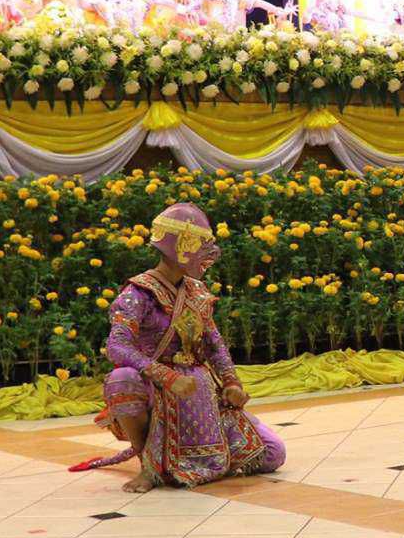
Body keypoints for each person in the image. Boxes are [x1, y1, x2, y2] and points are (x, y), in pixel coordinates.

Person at [71, 203, 287, 491]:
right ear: (181, 246)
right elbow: (117, 345)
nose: (209, 254)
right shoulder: (139, 293)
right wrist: (167, 376)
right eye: (201, 245)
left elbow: (214, 344)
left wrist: (231, 383)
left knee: (272, 453)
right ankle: (149, 465)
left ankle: (190, 463)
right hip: (157, 389)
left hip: (200, 391)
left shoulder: (197, 291)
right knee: (121, 379)